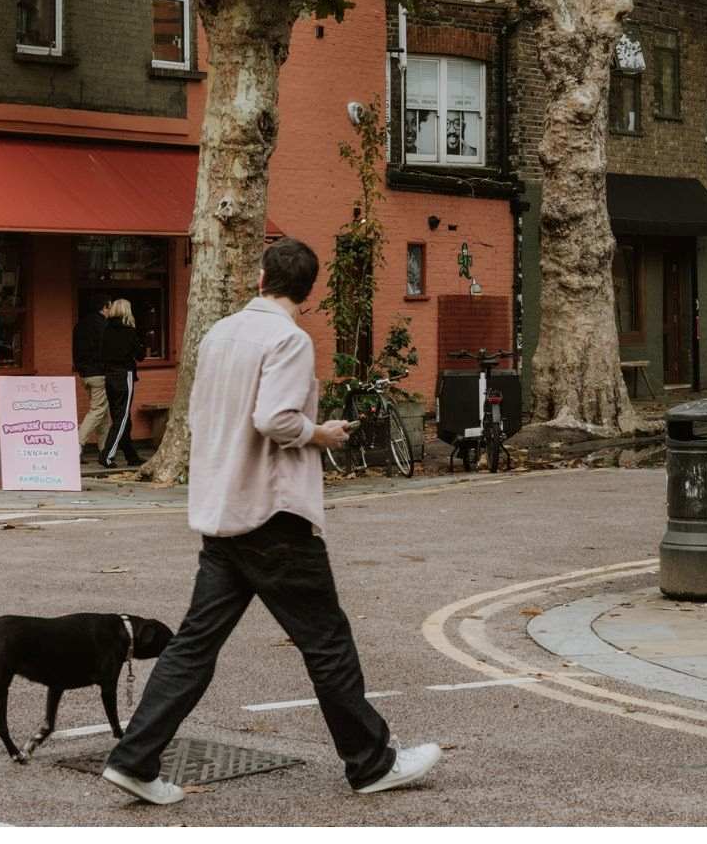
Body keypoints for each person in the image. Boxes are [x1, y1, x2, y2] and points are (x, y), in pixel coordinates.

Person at [101, 238, 442, 806]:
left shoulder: (219, 334)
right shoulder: (289, 339)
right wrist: (321, 433)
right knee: (327, 642)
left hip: (223, 512)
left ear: (260, 278)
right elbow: (275, 418)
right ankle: (371, 762)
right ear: (308, 292)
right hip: (274, 516)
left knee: (193, 646)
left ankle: (135, 758)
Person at [97, 298, 145, 468]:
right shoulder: (129, 332)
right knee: (122, 418)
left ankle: (131, 455)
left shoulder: (105, 330)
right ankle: (107, 455)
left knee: (122, 417)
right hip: (125, 375)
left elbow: (101, 354)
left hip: (109, 376)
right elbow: (140, 355)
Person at [73, 297, 112, 456]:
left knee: (104, 412)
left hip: (84, 374)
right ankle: (77, 442)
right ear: (104, 307)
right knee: (98, 410)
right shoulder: (103, 325)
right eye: (110, 306)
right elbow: (105, 349)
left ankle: (104, 449)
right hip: (99, 373)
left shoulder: (79, 325)